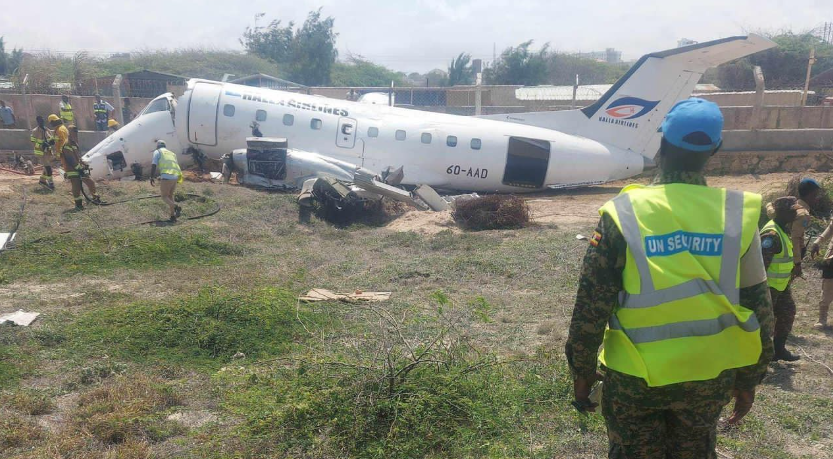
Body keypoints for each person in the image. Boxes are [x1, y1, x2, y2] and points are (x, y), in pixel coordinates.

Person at [565, 98, 774, 458]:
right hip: (708, 377)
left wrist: (581, 372)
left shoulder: (625, 213)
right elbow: (760, 306)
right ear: (716, 148)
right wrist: (749, 379)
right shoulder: (737, 214)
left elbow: (591, 304)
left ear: (661, 140)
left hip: (635, 377)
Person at [761, 197, 803, 360]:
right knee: (764, 323)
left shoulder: (782, 229)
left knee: (787, 313)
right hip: (768, 287)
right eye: (792, 211)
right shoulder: (772, 234)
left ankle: (778, 350)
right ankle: (761, 356)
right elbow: (762, 265)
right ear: (782, 212)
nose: (795, 214)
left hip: (781, 286)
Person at [63, 125, 101, 209]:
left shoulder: (74, 144)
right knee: (76, 186)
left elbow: (77, 157)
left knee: (90, 182)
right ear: (69, 133)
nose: (76, 134)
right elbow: (71, 159)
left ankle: (95, 199)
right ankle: (78, 204)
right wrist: (79, 168)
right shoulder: (67, 144)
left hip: (78, 168)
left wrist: (83, 164)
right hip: (72, 169)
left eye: (76, 132)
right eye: (74, 132)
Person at [809, 213, 833, 331]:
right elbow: (831, 228)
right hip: (831, 258)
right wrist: (817, 242)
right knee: (827, 287)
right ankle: (822, 318)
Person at [150, 140, 183, 222]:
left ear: (157, 146)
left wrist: (151, 177)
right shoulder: (172, 153)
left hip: (166, 177)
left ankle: (176, 207)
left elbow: (154, 164)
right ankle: (173, 216)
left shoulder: (157, 152)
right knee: (170, 196)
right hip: (175, 176)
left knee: (164, 197)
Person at [30, 115, 55, 189]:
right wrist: (41, 145)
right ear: (38, 122)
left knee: (47, 167)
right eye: (40, 121)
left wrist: (51, 142)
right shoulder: (35, 131)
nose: (42, 122)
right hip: (41, 152)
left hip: (48, 151)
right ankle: (51, 183)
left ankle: (42, 180)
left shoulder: (47, 130)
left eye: (43, 120)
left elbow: (51, 138)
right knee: (48, 168)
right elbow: (33, 142)